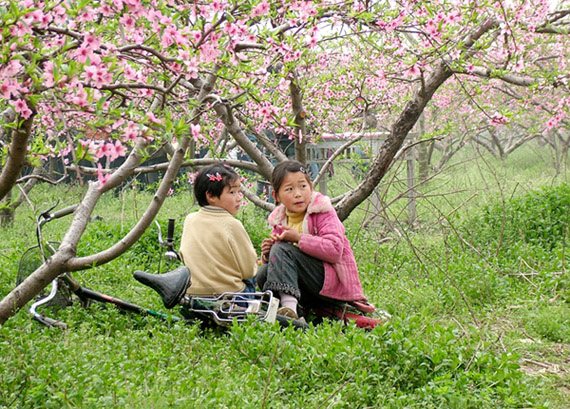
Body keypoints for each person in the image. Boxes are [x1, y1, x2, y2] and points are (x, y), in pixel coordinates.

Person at [256, 160, 367, 319]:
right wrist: (268, 254)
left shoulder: (322, 211)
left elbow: (335, 250)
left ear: (311, 187)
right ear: (276, 195)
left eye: (303, 186)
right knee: (263, 273)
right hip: (307, 283)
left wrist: (299, 238)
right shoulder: (279, 219)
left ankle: (290, 310)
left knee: (281, 249)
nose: (298, 194)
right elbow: (283, 262)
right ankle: (287, 309)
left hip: (331, 282)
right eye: (289, 189)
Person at [179, 163, 257, 296]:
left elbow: (183, 256)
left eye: (239, 191)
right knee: (254, 274)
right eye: (232, 192)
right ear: (211, 196)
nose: (239, 198)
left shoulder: (190, 219)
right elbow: (248, 270)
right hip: (229, 296)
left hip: (192, 295)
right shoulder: (232, 224)